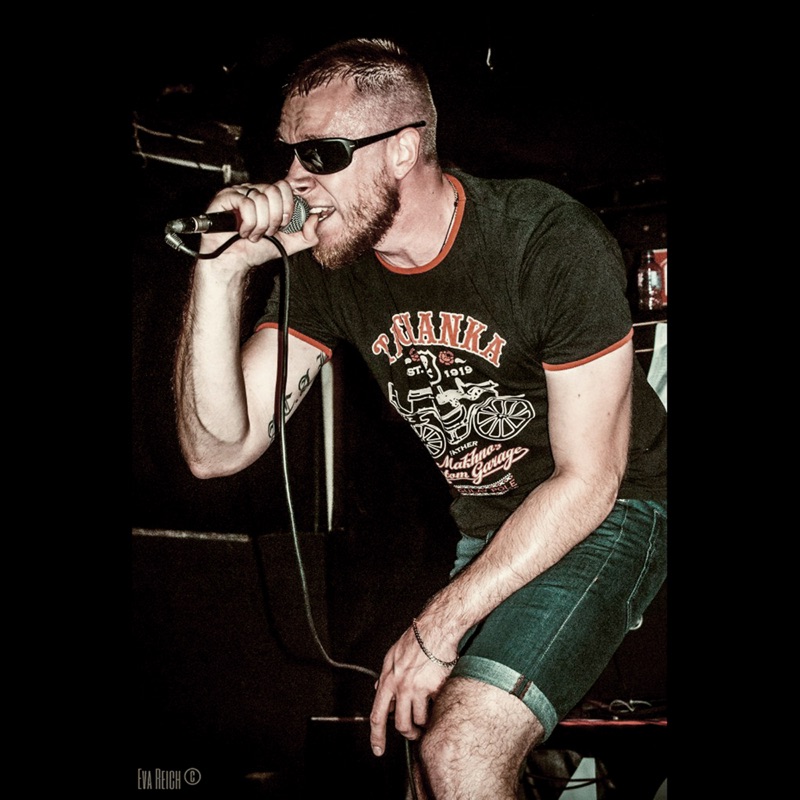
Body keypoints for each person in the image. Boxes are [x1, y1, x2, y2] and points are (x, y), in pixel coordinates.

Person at [173, 37, 667, 800]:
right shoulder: (331, 271)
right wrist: (221, 268)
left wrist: (436, 629)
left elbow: (590, 482)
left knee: (463, 743)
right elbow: (217, 449)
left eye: (321, 154)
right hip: (490, 524)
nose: (295, 179)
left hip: (615, 510)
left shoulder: (543, 240)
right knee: (429, 767)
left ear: (403, 149)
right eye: (289, 155)